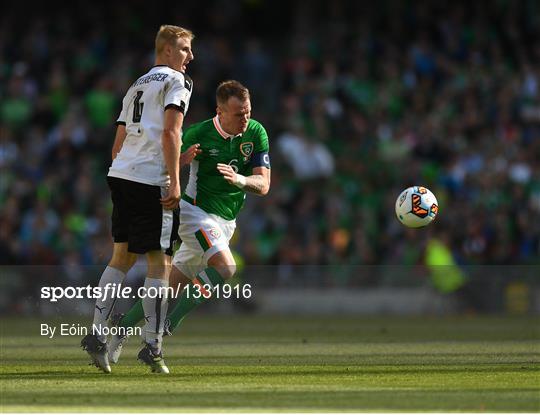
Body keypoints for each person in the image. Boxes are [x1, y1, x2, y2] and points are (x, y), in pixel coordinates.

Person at [108, 80, 271, 371]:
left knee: (167, 290)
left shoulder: (257, 133)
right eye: (238, 114)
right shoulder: (198, 134)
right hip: (195, 214)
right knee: (227, 268)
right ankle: (171, 323)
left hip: (225, 223)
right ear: (219, 111)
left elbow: (264, 184)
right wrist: (181, 161)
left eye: (247, 111)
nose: (245, 119)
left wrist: (241, 180)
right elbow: (158, 164)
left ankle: (121, 329)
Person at [80, 24, 195, 374]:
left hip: (123, 174)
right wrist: (174, 180)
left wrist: (138, 168)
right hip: (151, 180)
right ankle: (153, 345)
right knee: (160, 263)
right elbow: (172, 131)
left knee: (121, 256)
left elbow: (120, 140)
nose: (190, 57)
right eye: (186, 49)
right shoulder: (178, 82)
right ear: (168, 50)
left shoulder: (137, 84)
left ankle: (98, 335)